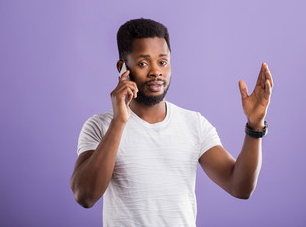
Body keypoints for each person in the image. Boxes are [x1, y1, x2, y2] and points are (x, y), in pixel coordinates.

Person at [70, 18, 273, 226]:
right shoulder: (99, 126)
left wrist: (255, 125)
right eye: (142, 63)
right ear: (123, 68)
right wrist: (119, 122)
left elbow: (240, 188)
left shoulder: (194, 124)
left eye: (162, 62)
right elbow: (85, 195)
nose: (156, 71)